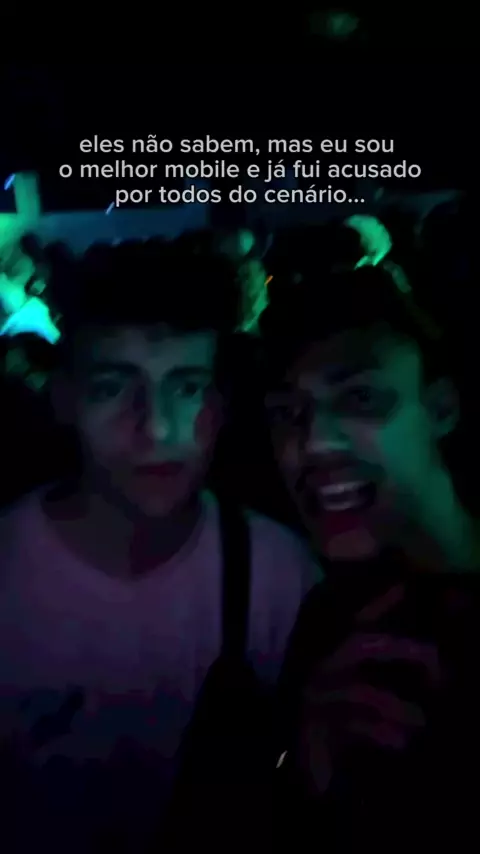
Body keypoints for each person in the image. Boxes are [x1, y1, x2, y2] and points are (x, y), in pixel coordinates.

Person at [0, 241, 317, 852]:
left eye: (188, 387)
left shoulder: (280, 576)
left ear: (221, 407)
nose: (155, 427)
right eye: (112, 388)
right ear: (63, 398)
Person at [261, 266, 480, 852]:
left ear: (441, 408)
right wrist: (304, 767)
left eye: (359, 398)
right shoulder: (326, 619)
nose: (313, 444)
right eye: (287, 414)